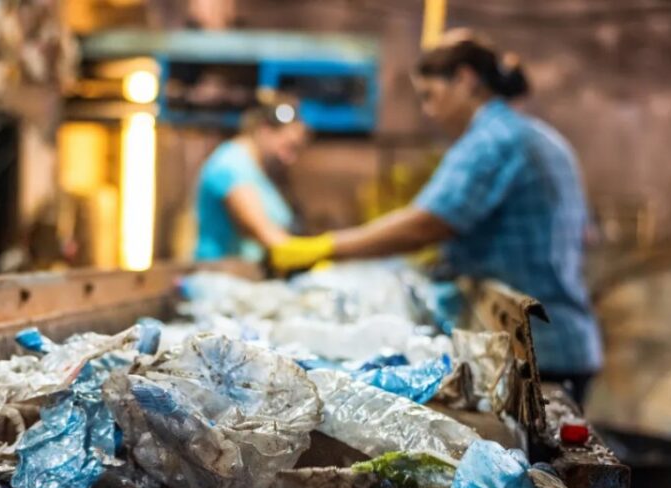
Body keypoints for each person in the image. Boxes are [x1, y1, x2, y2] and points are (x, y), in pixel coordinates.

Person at [271, 31, 601, 405]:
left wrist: (325, 247)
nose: (428, 111)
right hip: (561, 339)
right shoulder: (534, 134)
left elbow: (427, 223)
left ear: (465, 79)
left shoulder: (493, 139)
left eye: (430, 95)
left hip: (541, 352)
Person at [193, 98, 309, 261]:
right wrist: (331, 247)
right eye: (288, 147)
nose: (290, 159)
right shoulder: (230, 166)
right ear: (265, 130)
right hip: (220, 276)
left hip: (247, 275)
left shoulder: (260, 171)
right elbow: (268, 236)